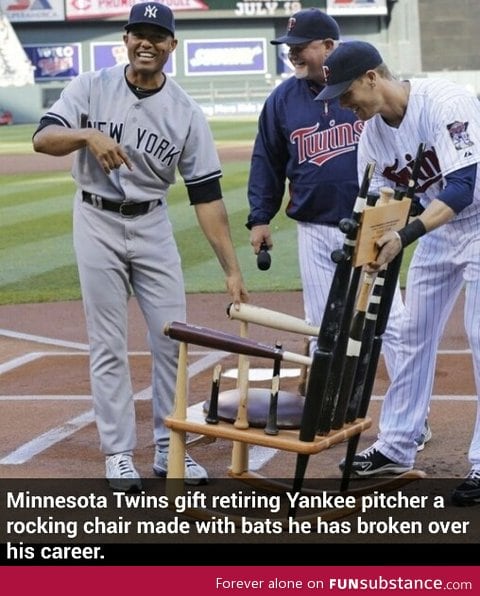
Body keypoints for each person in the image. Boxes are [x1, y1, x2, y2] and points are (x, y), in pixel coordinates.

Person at [32, 3, 248, 491]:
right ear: (126, 39)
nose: (147, 43)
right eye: (139, 34)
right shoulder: (90, 86)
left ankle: (170, 447)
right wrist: (86, 134)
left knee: (172, 338)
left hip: (152, 225)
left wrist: (231, 269)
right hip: (95, 220)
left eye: (158, 36)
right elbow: (43, 138)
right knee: (107, 342)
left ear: (173, 46)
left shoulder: (186, 113)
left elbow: (207, 196)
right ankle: (118, 453)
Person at [245, 8, 431, 444]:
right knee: (322, 325)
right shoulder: (282, 100)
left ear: (329, 46)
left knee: (395, 327)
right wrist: (260, 217)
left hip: (372, 226)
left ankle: (411, 422)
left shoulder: (364, 90)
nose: (291, 53)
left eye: (300, 46)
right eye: (288, 47)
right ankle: (327, 412)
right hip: (313, 227)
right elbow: (267, 160)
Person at [317, 40, 480, 505]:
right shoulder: (371, 137)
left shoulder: (444, 103)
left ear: (372, 76)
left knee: (479, 333)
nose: (345, 108)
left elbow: (464, 188)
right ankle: (397, 445)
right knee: (410, 333)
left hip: (476, 218)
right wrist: (366, 240)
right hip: (436, 229)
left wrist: (403, 237)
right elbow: (381, 206)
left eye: (347, 95)